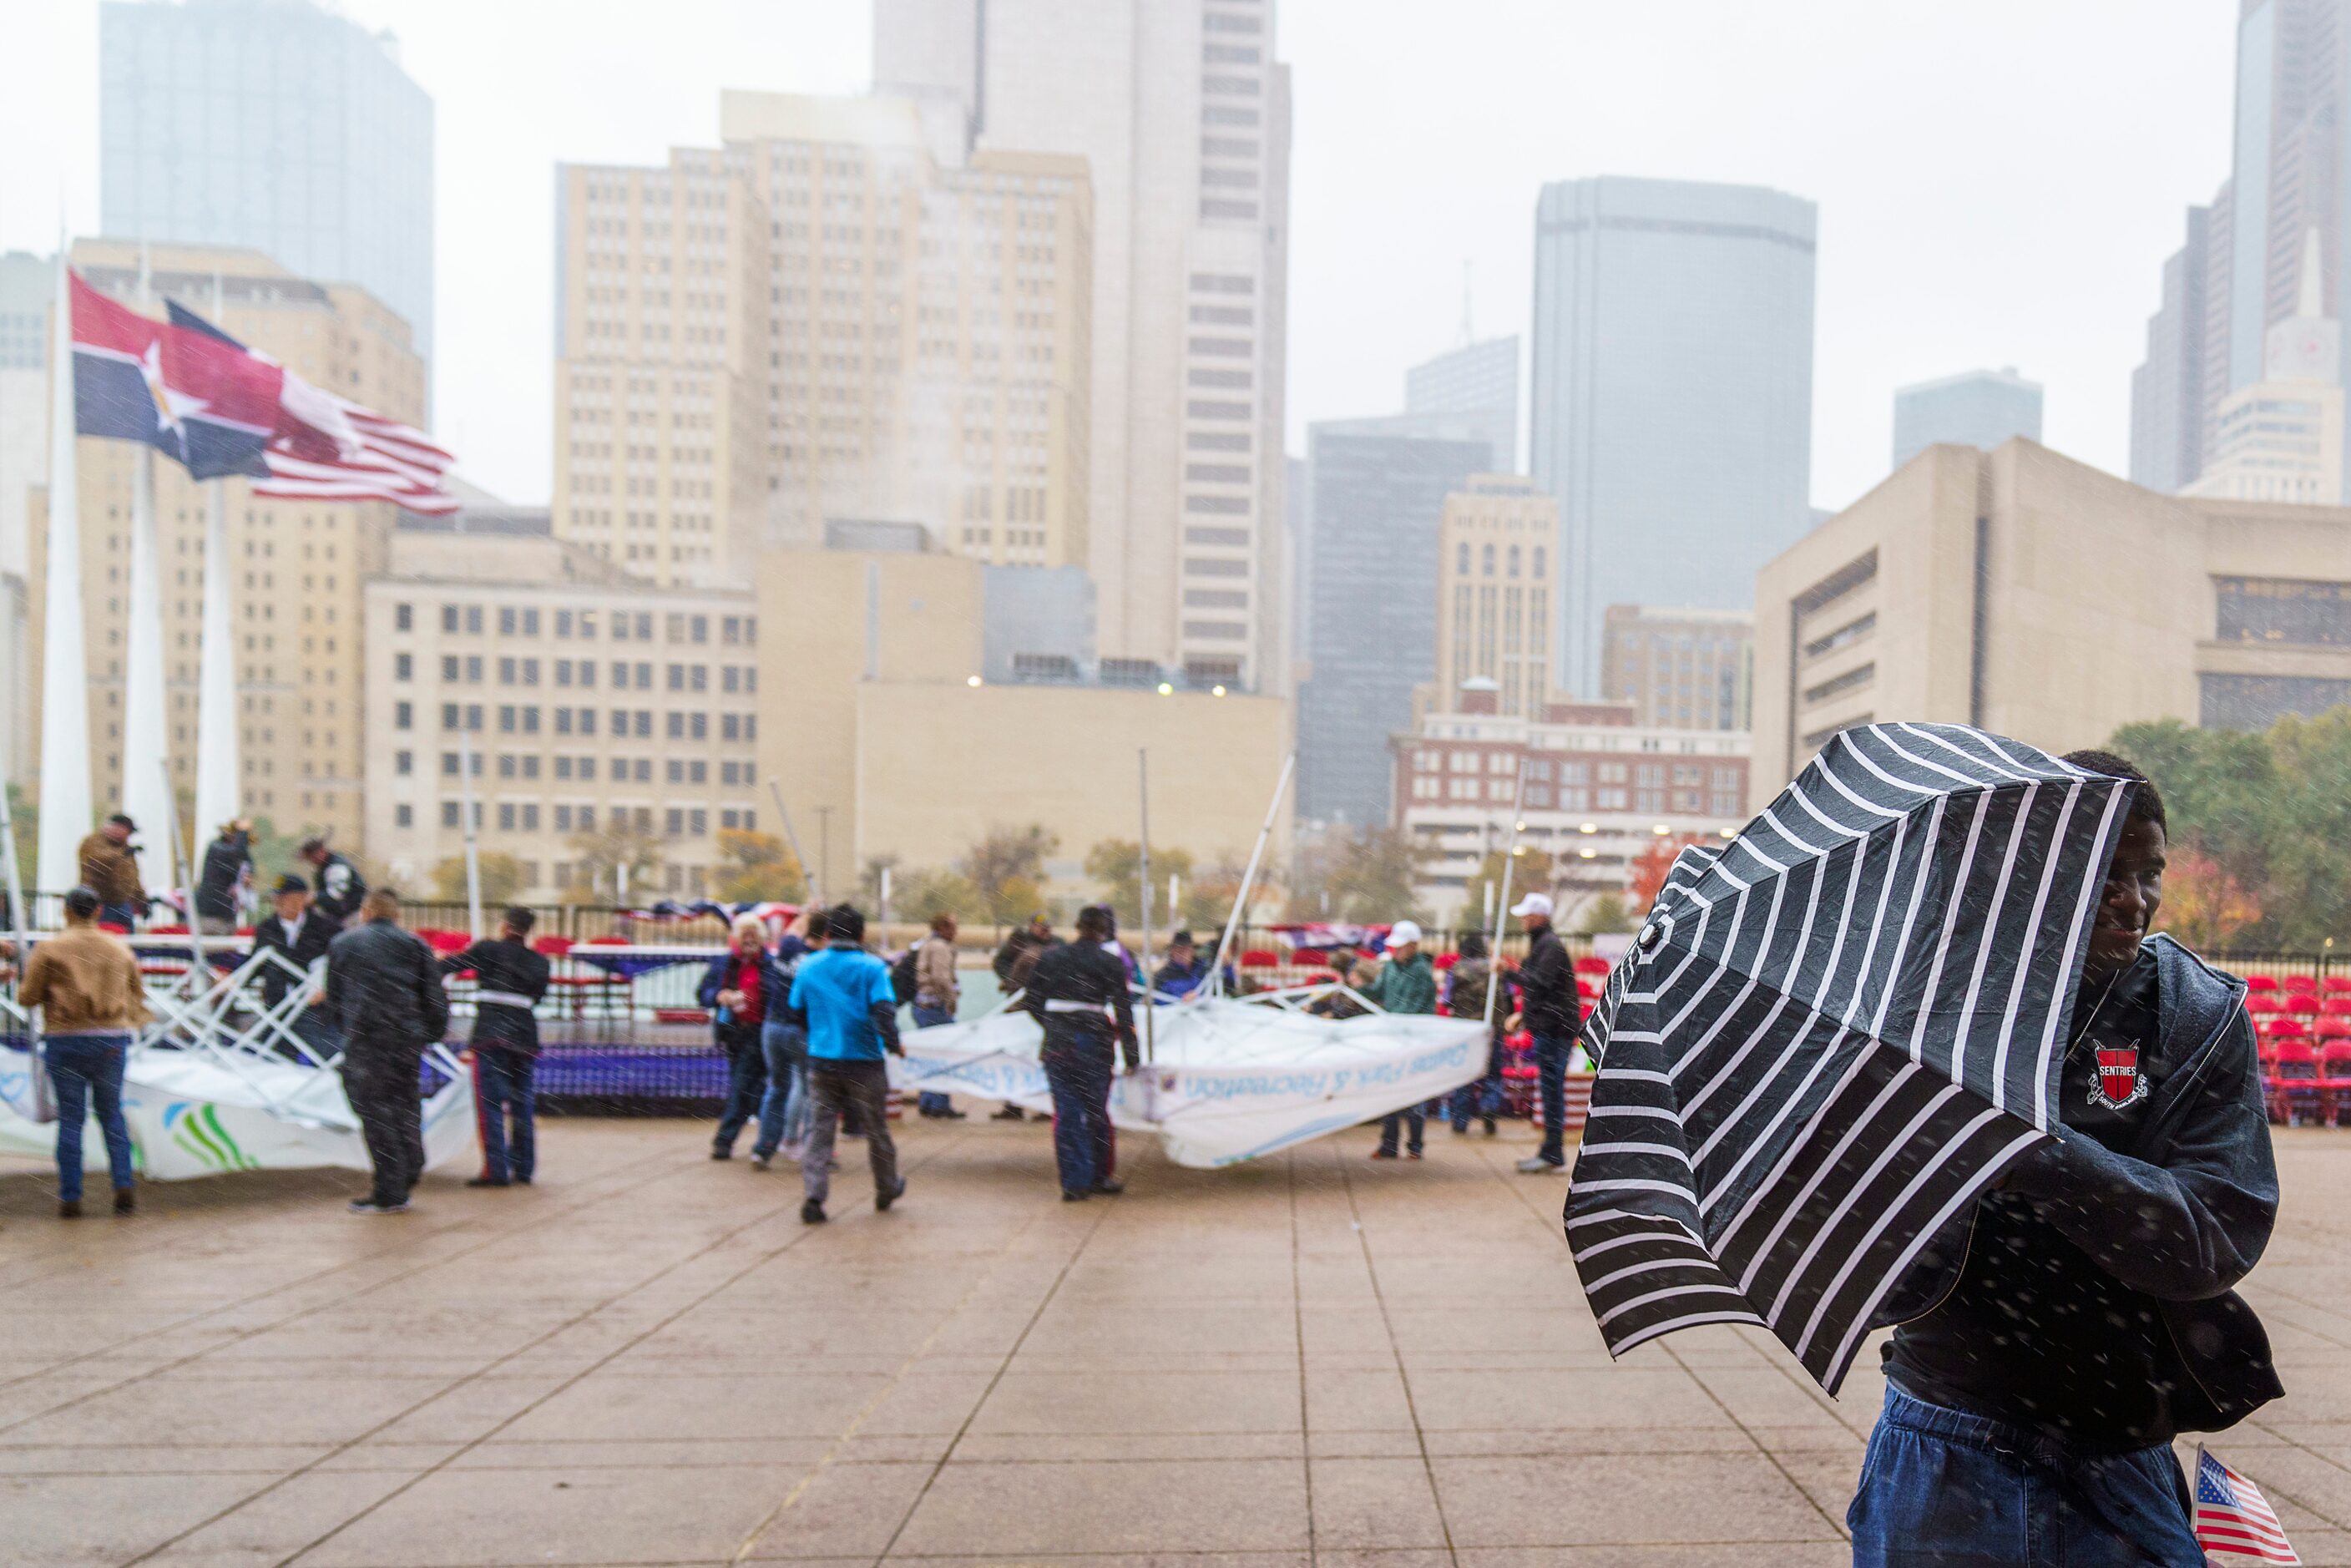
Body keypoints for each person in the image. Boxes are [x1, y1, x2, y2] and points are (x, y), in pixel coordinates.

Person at [1849, 751, 2281, 1568]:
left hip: (2120, 1451)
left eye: (2147, 870)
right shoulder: (1933, 1008)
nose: (2134, 898)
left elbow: (2208, 1239)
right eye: (2102, 874)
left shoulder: (2193, 1017)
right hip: (1943, 1438)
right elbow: (1864, 1249)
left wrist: (2028, 1148)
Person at [17, 887, 148, 1217]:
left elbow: (27, 998)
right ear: (99, 911)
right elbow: (137, 996)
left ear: (67, 911)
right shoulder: (119, 950)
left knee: (71, 1119)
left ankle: (71, 1195)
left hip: (67, 1038)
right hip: (111, 1040)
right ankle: (123, 1184)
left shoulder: (50, 949)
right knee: (111, 1115)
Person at [326, 889, 451, 1214]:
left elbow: (335, 996)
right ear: (396, 915)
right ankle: (410, 1164)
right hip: (405, 1038)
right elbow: (434, 995)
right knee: (405, 1102)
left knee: (373, 1110)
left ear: (365, 912)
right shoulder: (415, 945)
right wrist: (429, 1032)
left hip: (365, 1039)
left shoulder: (343, 944)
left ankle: (390, 1187)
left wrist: (347, 1027)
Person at [790, 904, 905, 1224]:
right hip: (864, 1061)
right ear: (862, 934)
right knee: (876, 1129)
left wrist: (820, 1034)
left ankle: (814, 1197)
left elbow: (796, 1010)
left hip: (822, 1060)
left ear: (826, 934)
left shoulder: (809, 966)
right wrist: (894, 1044)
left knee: (820, 1130)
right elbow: (884, 1011)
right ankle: (886, 1187)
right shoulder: (873, 968)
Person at [1023, 904, 1139, 1201]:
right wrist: (1131, 1053)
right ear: (1103, 930)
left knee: (1067, 1112)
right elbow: (1124, 1010)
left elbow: (1032, 1000)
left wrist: (1052, 1024)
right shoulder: (1109, 962)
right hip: (1094, 1043)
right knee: (1097, 1112)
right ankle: (1099, 1176)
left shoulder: (1052, 959)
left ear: (1077, 926)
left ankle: (1074, 1182)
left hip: (1058, 1043)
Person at [441, 907, 552, 1189]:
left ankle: (496, 1170)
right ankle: (524, 1168)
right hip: (525, 1036)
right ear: (528, 930)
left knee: (490, 1105)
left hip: (491, 1033)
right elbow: (537, 997)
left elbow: (450, 966)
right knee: (522, 1104)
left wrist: (436, 961)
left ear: (504, 926)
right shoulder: (540, 962)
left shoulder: (487, 949)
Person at [699, 913, 782, 1161]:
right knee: (750, 1087)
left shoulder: (771, 964)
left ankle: (725, 1140)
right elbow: (703, 992)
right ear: (735, 938)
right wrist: (719, 996)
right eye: (744, 934)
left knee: (742, 1084)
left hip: (761, 1032)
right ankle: (769, 1138)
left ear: (762, 938)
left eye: (754, 934)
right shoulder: (724, 964)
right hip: (733, 1030)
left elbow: (779, 994)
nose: (749, 939)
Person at [1510, 893, 1582, 1176]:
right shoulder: (1544, 944)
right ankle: (1550, 1151)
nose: (1523, 920)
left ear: (1540, 917)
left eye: (1527, 915)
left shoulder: (1548, 945)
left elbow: (1539, 983)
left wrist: (1508, 973)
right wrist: (1524, 1015)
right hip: (1551, 1026)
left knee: (1552, 1091)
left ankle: (1553, 1152)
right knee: (1550, 1090)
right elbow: (1544, 989)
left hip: (1554, 1029)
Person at [750, 909, 821, 1170]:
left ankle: (764, 1147)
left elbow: (798, 927)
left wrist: (810, 907)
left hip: (772, 1027)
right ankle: (803, 1143)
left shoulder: (789, 945)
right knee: (810, 1088)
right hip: (800, 1030)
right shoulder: (817, 960)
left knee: (777, 1087)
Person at [1361, 921, 1437, 1159]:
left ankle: (1415, 1146)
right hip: (1393, 1037)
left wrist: (1398, 1023)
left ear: (1413, 946)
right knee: (1390, 1092)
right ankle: (1389, 1144)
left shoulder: (1422, 971)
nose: (1396, 951)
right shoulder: (1391, 967)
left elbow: (1414, 1007)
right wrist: (1356, 990)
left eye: (1400, 947)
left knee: (1414, 1094)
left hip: (1413, 1038)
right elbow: (1378, 991)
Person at [251, 873, 341, 1059]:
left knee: (331, 1059)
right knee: (266, 1063)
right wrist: (231, 978)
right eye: (276, 897)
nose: (278, 902)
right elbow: (255, 965)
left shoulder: (326, 928)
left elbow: (341, 968)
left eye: (284, 897)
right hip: (278, 1011)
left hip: (314, 1012)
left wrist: (327, 989)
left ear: (302, 898)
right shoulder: (267, 929)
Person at [988, 913, 1059, 1120]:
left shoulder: (1056, 945)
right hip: (1021, 1008)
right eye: (1041, 927)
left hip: (1042, 1009)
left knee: (1042, 1058)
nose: (1045, 931)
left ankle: (1044, 1106)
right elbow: (1000, 963)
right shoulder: (1020, 943)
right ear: (1032, 927)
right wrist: (1011, 978)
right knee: (1015, 1056)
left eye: (1047, 927)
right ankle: (1014, 1105)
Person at [1445, 933, 1504, 1136]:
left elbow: (1447, 999)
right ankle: (1489, 1107)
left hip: (1465, 1029)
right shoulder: (1494, 968)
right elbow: (1507, 996)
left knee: (1464, 1073)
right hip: (1491, 1028)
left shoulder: (1456, 969)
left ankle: (1460, 1120)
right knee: (1493, 1073)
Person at [911, 911, 967, 1119]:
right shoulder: (941, 948)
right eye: (952, 926)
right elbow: (941, 977)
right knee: (943, 1057)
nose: (956, 931)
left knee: (928, 1055)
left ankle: (927, 1099)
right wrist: (952, 1000)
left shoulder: (926, 944)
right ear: (942, 928)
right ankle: (939, 1104)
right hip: (936, 1007)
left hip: (923, 1005)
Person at [77, 813, 146, 932]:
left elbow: (133, 877)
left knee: (128, 942)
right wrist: (121, 854)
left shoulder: (125, 848)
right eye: (127, 831)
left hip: (123, 905)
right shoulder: (93, 842)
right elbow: (96, 862)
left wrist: (142, 900)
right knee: (103, 941)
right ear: (116, 828)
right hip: (100, 904)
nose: (128, 836)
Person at [194, 819, 253, 936]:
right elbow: (237, 853)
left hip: (227, 915)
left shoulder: (232, 852)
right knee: (212, 951)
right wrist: (242, 832)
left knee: (227, 952)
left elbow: (246, 862)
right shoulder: (216, 847)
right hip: (212, 915)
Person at [299, 836, 367, 926]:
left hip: (353, 916)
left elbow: (337, 893)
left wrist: (315, 897)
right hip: (343, 915)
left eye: (312, 857)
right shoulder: (325, 867)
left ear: (321, 851)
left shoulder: (337, 866)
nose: (311, 861)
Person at [1307, 950, 1370, 1020]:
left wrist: (1333, 1014)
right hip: (1337, 1009)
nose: (1352, 977)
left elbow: (1351, 1006)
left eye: (1355, 976)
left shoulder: (1362, 990)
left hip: (1350, 1015)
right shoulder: (1341, 981)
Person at [1152, 930, 1207, 999]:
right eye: (1178, 950)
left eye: (1185, 949)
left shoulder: (1205, 969)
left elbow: (1215, 988)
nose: (1181, 953)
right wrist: (1181, 998)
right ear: (1172, 952)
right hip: (1177, 1008)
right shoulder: (1162, 976)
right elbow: (1157, 999)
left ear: (1192, 951)